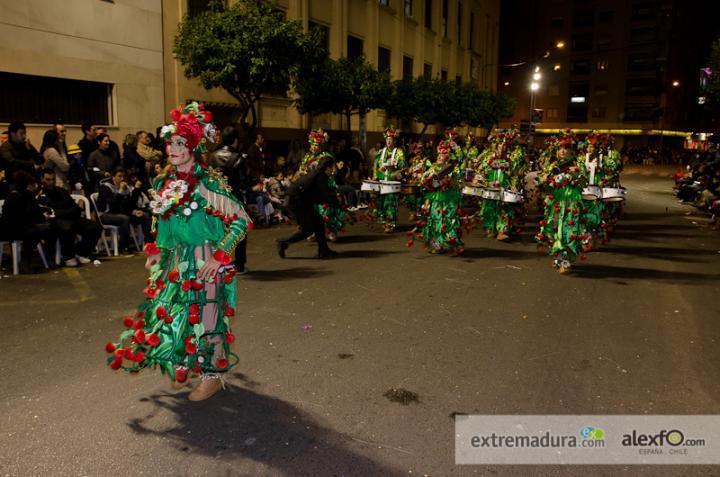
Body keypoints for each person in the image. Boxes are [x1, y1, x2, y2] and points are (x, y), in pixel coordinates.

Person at [105, 102, 252, 401]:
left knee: (208, 315)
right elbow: (162, 219)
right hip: (177, 259)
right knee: (179, 314)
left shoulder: (209, 183)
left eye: (180, 143)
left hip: (206, 256)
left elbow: (241, 221)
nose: (172, 148)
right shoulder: (165, 181)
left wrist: (220, 255)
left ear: (194, 148)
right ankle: (187, 365)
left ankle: (212, 375)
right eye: (170, 142)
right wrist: (158, 250)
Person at [535, 130, 588, 274]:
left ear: (571, 151)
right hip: (556, 204)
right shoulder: (552, 167)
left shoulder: (577, 166)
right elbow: (540, 181)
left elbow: (584, 182)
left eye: (566, 148)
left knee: (569, 231)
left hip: (571, 203)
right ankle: (558, 257)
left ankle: (566, 261)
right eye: (560, 148)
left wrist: (576, 174)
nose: (563, 151)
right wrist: (543, 179)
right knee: (553, 230)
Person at [407, 141, 465, 255]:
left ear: (448, 156)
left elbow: (460, 183)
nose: (440, 156)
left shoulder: (454, 169)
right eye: (439, 154)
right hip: (436, 197)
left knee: (449, 220)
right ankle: (437, 245)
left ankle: (451, 243)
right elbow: (423, 180)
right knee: (435, 219)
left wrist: (449, 182)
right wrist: (425, 180)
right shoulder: (432, 167)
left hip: (449, 198)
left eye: (443, 154)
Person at [277, 157, 339, 259]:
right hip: (296, 202)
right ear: (328, 167)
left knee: (318, 222)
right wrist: (335, 199)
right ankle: (283, 242)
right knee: (307, 229)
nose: (334, 168)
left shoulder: (318, 174)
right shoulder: (321, 176)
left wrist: (333, 192)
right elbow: (323, 196)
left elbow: (319, 191)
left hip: (301, 201)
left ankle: (323, 251)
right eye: (333, 166)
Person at [38, 169, 102, 266]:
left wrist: (62, 212)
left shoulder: (62, 191)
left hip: (72, 218)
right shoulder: (41, 196)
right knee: (66, 227)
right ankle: (68, 256)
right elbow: (52, 213)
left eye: (53, 179)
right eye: (48, 179)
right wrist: (64, 212)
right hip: (57, 222)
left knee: (95, 226)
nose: (51, 182)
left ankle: (80, 252)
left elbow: (76, 209)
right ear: (42, 179)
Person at [0, 171, 56, 273]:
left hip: (6, 229)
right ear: (28, 184)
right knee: (43, 230)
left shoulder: (13, 194)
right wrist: (44, 217)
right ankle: (32, 260)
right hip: (15, 229)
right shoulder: (25, 196)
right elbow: (33, 214)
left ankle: (30, 260)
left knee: (34, 230)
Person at [476, 129, 525, 242]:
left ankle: (502, 231)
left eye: (504, 145)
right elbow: (480, 173)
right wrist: (482, 181)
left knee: (505, 209)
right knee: (490, 208)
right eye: (499, 144)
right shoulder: (488, 158)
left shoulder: (511, 159)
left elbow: (514, 174)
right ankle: (491, 228)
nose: (502, 147)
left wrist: (514, 185)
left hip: (504, 188)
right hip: (490, 188)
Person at [96, 167, 151, 253]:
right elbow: (112, 205)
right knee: (124, 218)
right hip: (105, 214)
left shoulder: (126, 187)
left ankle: (148, 243)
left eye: (123, 176)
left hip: (121, 212)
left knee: (145, 215)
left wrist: (136, 191)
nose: (122, 179)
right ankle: (124, 247)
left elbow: (129, 204)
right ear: (113, 177)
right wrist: (120, 192)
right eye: (119, 176)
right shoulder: (105, 187)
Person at [372, 127, 405, 232]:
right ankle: (385, 220)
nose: (389, 142)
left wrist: (396, 170)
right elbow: (375, 165)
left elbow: (404, 166)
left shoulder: (399, 152)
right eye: (387, 140)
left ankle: (390, 223)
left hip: (392, 181)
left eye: (391, 140)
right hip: (382, 180)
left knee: (390, 202)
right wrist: (375, 175)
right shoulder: (381, 151)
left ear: (394, 141)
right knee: (381, 201)